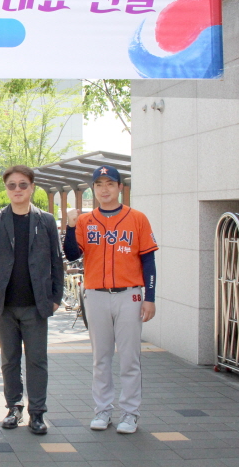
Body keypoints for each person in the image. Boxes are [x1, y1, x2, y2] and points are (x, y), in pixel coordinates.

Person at [63, 165, 158, 434]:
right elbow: (72, 255)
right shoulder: (85, 221)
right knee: (100, 358)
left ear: (119, 187)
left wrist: (150, 297)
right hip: (96, 295)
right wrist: (70, 226)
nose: (104, 189)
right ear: (93, 189)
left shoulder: (137, 218)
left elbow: (148, 260)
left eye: (109, 183)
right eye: (99, 184)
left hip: (130, 294)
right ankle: (102, 410)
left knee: (130, 359)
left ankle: (130, 413)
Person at [0, 166, 64, 435]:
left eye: (23, 184)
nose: (17, 190)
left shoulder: (46, 220)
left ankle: (37, 413)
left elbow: (56, 261)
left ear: (32, 187)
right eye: (12, 185)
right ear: (6, 189)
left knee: (37, 360)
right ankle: (14, 407)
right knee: (9, 359)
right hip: (4, 303)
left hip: (36, 304)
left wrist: (56, 297)